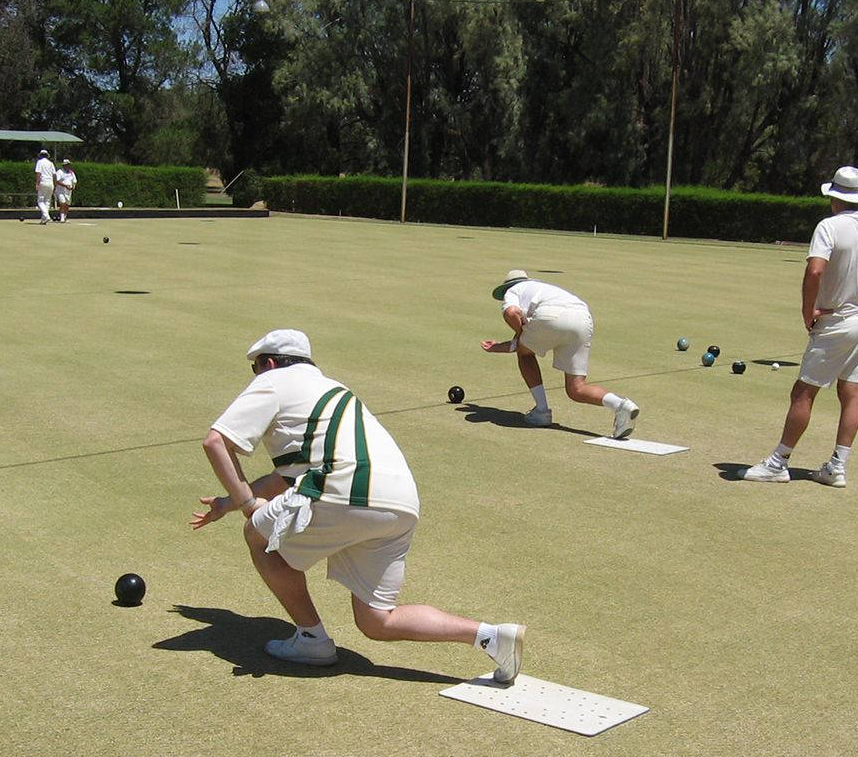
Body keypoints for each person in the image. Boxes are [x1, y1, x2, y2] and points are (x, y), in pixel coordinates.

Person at [190, 328, 526, 679]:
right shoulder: (334, 389)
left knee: (257, 535)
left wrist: (246, 505)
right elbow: (289, 478)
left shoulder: (274, 380)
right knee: (377, 620)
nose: (256, 376)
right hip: (399, 501)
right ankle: (491, 636)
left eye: (256, 368)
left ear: (270, 363)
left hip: (345, 489)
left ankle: (311, 638)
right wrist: (228, 502)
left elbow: (216, 442)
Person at [742, 166, 858, 487]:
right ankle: (837, 467)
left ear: (833, 197)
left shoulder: (829, 226)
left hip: (835, 323)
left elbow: (815, 271)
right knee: (850, 391)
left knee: (803, 392)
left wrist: (807, 312)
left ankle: (778, 462)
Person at [479, 270, 639, 438]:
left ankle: (541, 411)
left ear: (506, 288)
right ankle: (621, 406)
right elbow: (522, 340)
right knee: (576, 389)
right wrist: (509, 343)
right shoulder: (543, 289)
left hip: (550, 316)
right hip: (583, 318)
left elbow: (511, 313)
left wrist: (519, 337)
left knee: (525, 355)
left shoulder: (513, 291)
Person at [34, 149, 55, 224]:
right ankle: (44, 219)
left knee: (40, 201)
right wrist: (54, 185)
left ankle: (46, 216)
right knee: (47, 201)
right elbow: (54, 174)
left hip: (43, 182)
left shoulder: (39, 162)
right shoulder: (51, 163)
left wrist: (37, 183)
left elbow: (38, 173)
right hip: (50, 183)